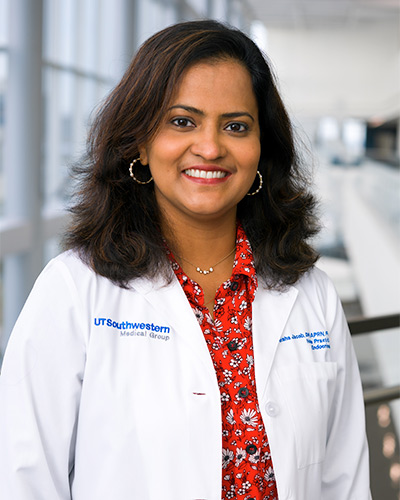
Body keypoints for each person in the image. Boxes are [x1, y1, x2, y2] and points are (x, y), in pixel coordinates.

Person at [0, 20, 371, 500]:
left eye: (236, 126)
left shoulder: (311, 293)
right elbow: (23, 478)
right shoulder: (74, 290)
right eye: (182, 121)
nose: (211, 147)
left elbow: (346, 479)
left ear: (262, 149)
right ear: (139, 140)